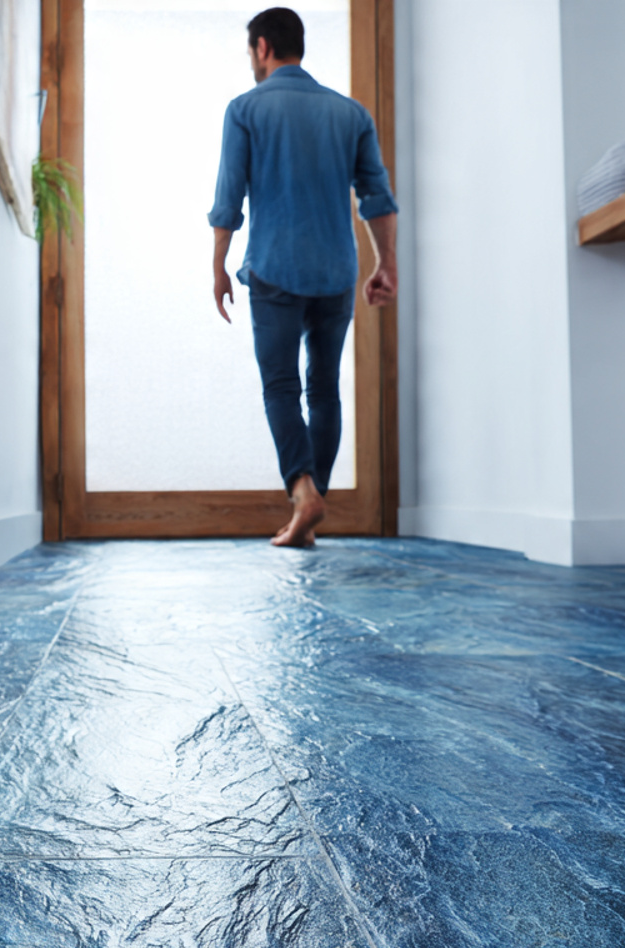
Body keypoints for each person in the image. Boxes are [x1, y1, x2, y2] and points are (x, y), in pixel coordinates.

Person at [209, 7, 398, 547]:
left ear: (263, 47)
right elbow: (377, 200)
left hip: (274, 270)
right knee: (325, 390)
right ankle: (311, 509)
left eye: (251, 51)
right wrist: (385, 264)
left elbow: (229, 199)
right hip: (337, 272)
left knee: (281, 387)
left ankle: (302, 492)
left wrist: (218, 264)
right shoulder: (351, 114)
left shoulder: (245, 109)